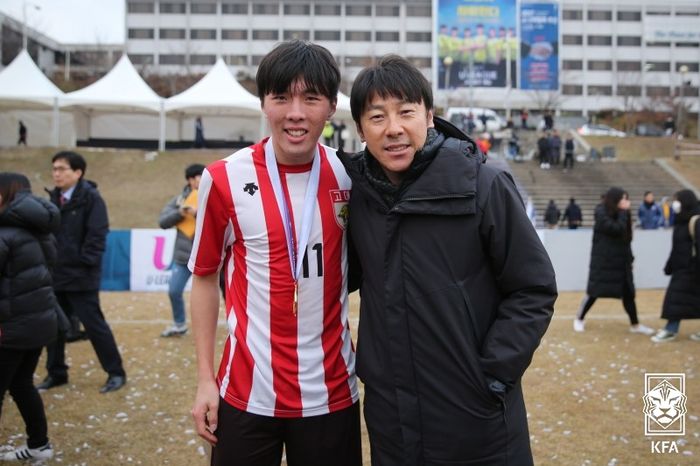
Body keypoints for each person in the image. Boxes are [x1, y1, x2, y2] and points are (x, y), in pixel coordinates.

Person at [340, 54, 557, 465]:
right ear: (360, 129)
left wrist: (491, 375)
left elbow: (533, 288)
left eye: (406, 112)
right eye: (377, 117)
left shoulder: (483, 185)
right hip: (392, 420)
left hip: (476, 417)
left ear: (430, 116)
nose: (394, 129)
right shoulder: (360, 199)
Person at [188, 40, 361, 466]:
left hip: (331, 393)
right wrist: (205, 380)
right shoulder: (223, 178)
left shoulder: (353, 176)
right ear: (264, 102)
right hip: (245, 394)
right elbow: (205, 277)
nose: (295, 113)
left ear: (332, 106)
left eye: (311, 98)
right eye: (281, 97)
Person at [38, 151, 127, 393]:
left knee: (94, 325)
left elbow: (97, 235)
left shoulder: (91, 198)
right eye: (54, 169)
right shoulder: (51, 199)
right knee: (54, 328)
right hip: (55, 276)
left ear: (78, 172)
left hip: (80, 276)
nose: (56, 173)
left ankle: (115, 372)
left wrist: (83, 262)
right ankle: (56, 373)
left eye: (62, 169)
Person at [0, 173, 59, 461]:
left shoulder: (5, 233)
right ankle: (39, 444)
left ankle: (39, 443)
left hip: (11, 327)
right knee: (22, 384)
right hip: (37, 323)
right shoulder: (40, 229)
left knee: (16, 384)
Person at [573, 187, 655, 335]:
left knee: (628, 294)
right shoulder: (601, 212)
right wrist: (624, 212)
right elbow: (615, 229)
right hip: (604, 262)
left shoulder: (623, 214)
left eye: (627, 199)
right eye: (623, 199)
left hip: (621, 263)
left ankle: (635, 325)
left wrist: (630, 259)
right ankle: (579, 318)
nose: (626, 202)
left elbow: (626, 239)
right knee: (594, 292)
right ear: (615, 199)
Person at [158, 163, 205, 337]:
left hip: (208, 256)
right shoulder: (179, 200)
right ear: (190, 180)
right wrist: (180, 213)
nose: (200, 180)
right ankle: (179, 324)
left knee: (223, 290)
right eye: (197, 177)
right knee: (174, 290)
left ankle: (234, 322)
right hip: (184, 255)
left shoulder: (213, 196)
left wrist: (198, 213)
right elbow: (162, 222)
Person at [651, 190, 700, 342]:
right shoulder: (680, 221)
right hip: (681, 267)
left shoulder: (696, 220)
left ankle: (670, 329)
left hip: (692, 268)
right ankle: (671, 328)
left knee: (675, 298)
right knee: (684, 299)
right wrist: (669, 265)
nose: (675, 204)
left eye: (677, 200)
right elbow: (676, 247)